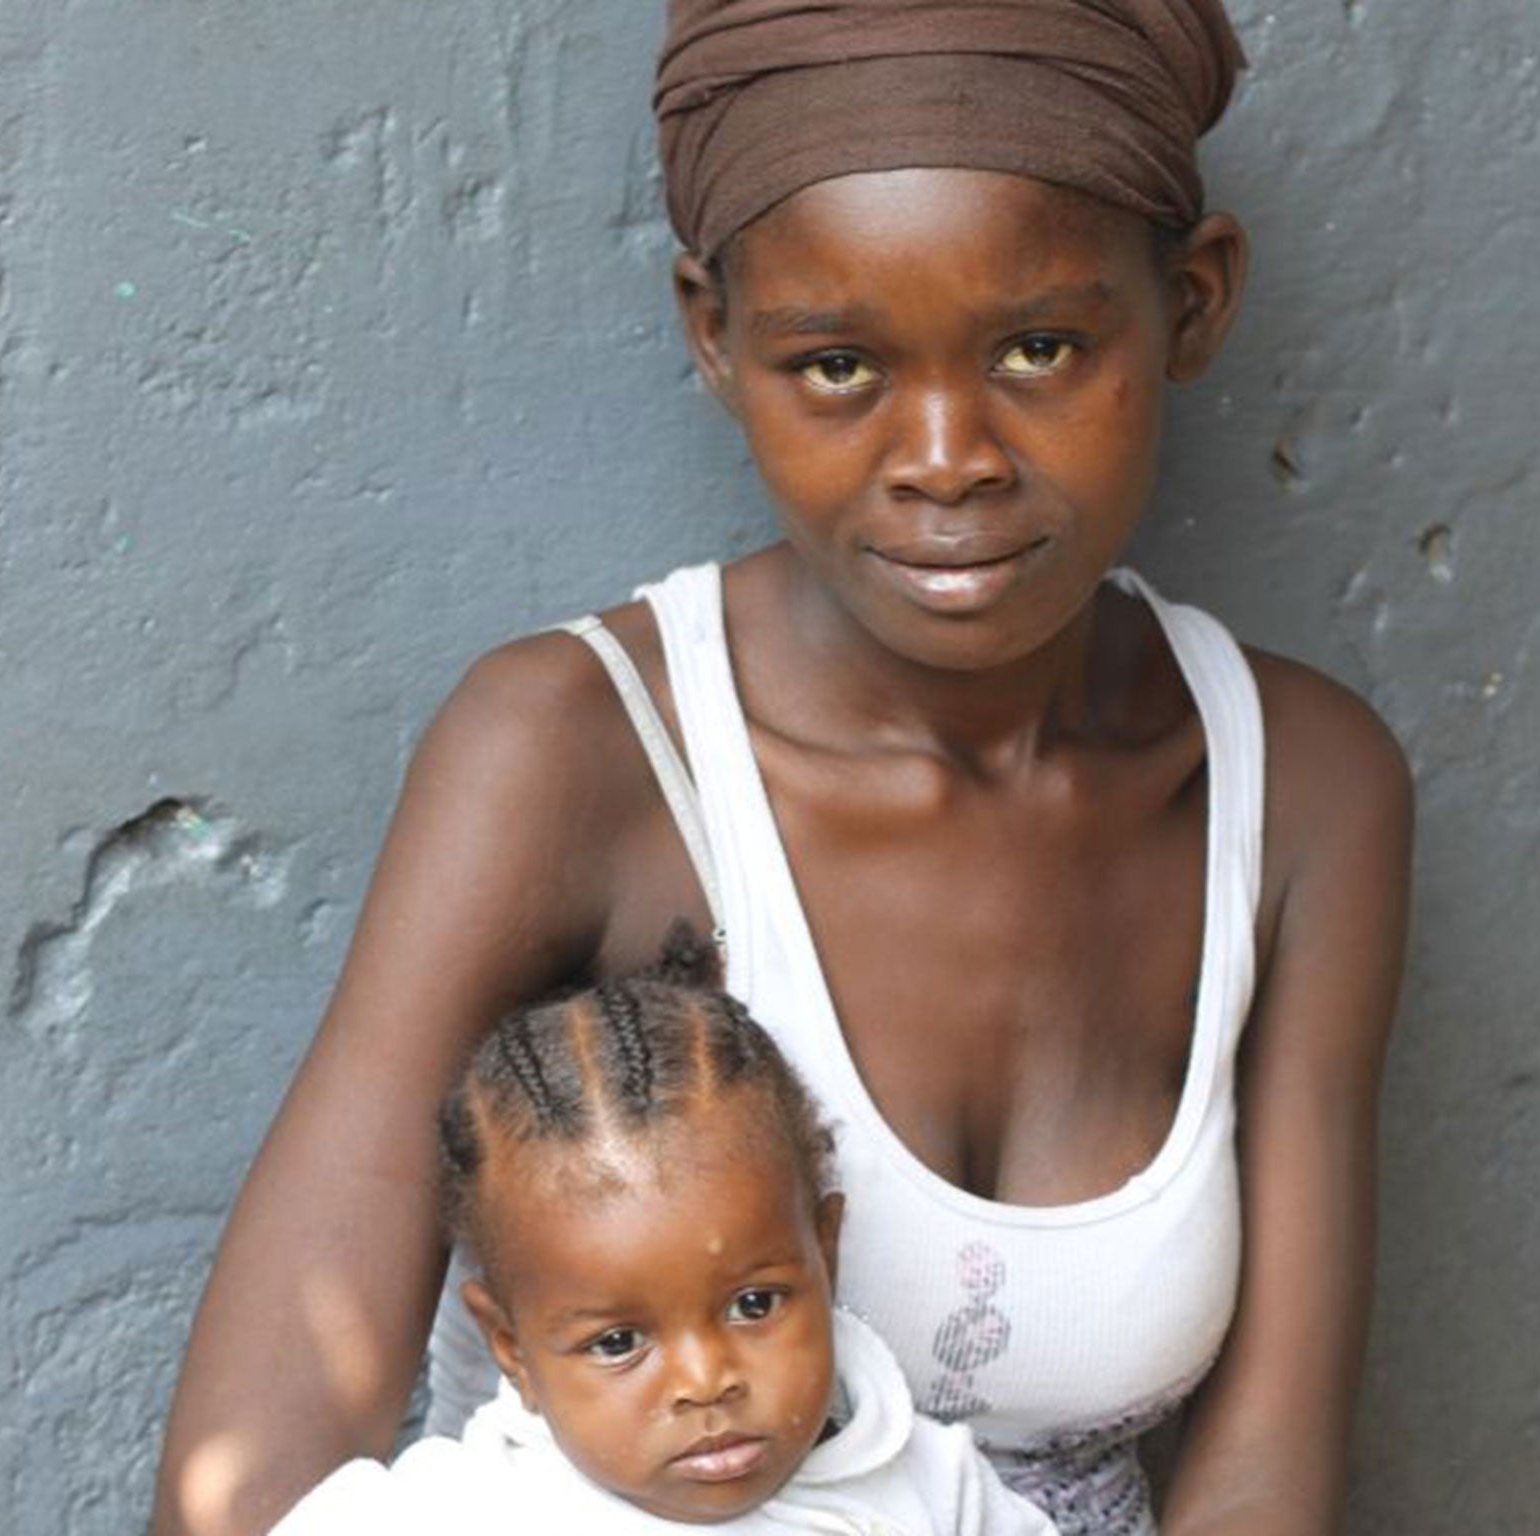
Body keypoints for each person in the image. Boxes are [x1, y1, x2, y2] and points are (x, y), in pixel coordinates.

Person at [153, 2, 1414, 1534]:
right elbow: (248, 1482)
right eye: (835, 365)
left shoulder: (1303, 789)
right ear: (714, 336)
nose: (947, 452)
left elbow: (1267, 1473)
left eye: (1040, 348)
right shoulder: (573, 752)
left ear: (1194, 303)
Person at [268, 931, 1057, 1536]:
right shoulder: (455, 1514)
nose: (705, 1380)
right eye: (617, 1344)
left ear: (827, 1252)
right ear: (512, 1352)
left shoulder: (935, 1491)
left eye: (754, 1303)